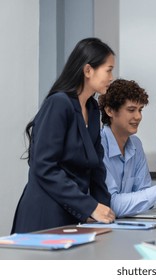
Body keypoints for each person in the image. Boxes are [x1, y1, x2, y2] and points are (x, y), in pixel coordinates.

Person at [11, 37, 116, 233]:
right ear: (88, 70)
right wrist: (90, 207)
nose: (112, 77)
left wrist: (105, 212)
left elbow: (97, 169)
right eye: (108, 70)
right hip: (45, 215)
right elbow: (44, 167)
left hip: (74, 214)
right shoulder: (59, 103)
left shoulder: (93, 109)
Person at [98, 79, 156, 218]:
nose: (138, 116)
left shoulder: (136, 144)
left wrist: (147, 196)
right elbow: (111, 204)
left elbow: (145, 195)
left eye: (140, 110)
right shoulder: (98, 146)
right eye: (131, 110)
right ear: (110, 111)